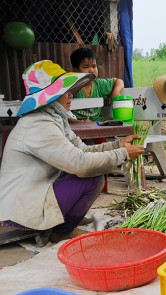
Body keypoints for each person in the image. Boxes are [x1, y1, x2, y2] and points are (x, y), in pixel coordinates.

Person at [0, 60, 144, 244]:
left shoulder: (53, 119)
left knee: (91, 173)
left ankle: (62, 224)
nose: (70, 95)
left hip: (33, 195)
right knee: (92, 178)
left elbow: (83, 150)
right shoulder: (38, 124)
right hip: (17, 212)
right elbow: (81, 164)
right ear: (50, 96)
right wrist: (122, 154)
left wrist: (119, 145)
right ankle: (61, 231)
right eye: (65, 92)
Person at [69, 47, 125, 123]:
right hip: (77, 125)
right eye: (86, 67)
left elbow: (119, 81)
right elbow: (65, 118)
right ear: (75, 69)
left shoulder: (99, 84)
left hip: (97, 123)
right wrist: (82, 123)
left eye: (94, 66)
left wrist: (116, 92)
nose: (91, 70)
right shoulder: (71, 87)